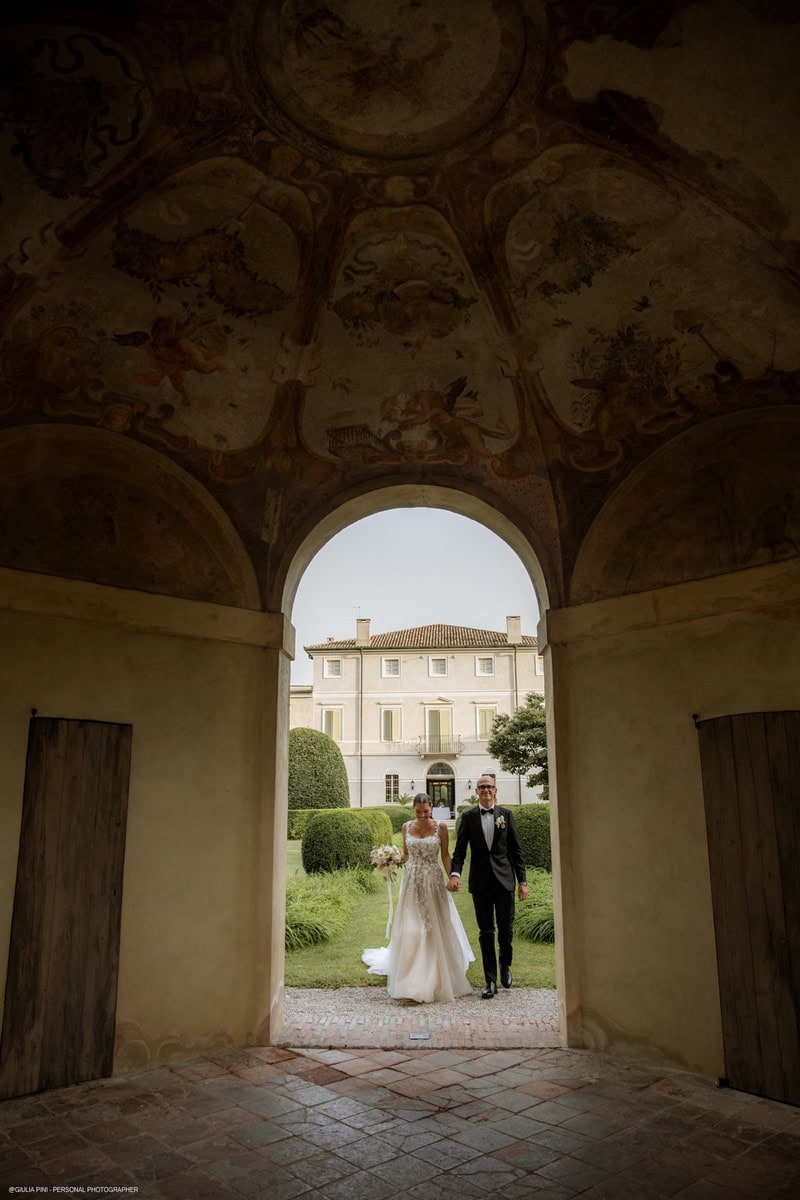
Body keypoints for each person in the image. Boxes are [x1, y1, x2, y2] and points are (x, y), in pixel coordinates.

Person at [362, 794, 474, 1003]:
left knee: (436, 922)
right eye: (418, 811)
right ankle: (411, 971)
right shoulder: (406, 827)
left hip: (433, 879)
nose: (422, 815)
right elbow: (406, 854)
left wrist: (453, 877)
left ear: (431, 808)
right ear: (413, 809)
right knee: (412, 924)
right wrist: (391, 861)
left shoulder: (441, 827)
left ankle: (437, 969)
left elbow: (445, 855)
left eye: (426, 811)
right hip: (412, 881)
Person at [447, 774, 528, 999]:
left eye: (489, 787)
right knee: (486, 932)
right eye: (482, 787)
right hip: (480, 882)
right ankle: (490, 980)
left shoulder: (506, 815)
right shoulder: (469, 817)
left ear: (495, 790)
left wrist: (522, 882)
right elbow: (460, 851)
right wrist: (455, 874)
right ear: (476, 791)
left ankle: (505, 966)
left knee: (506, 930)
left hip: (505, 881)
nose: (486, 790)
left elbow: (516, 851)